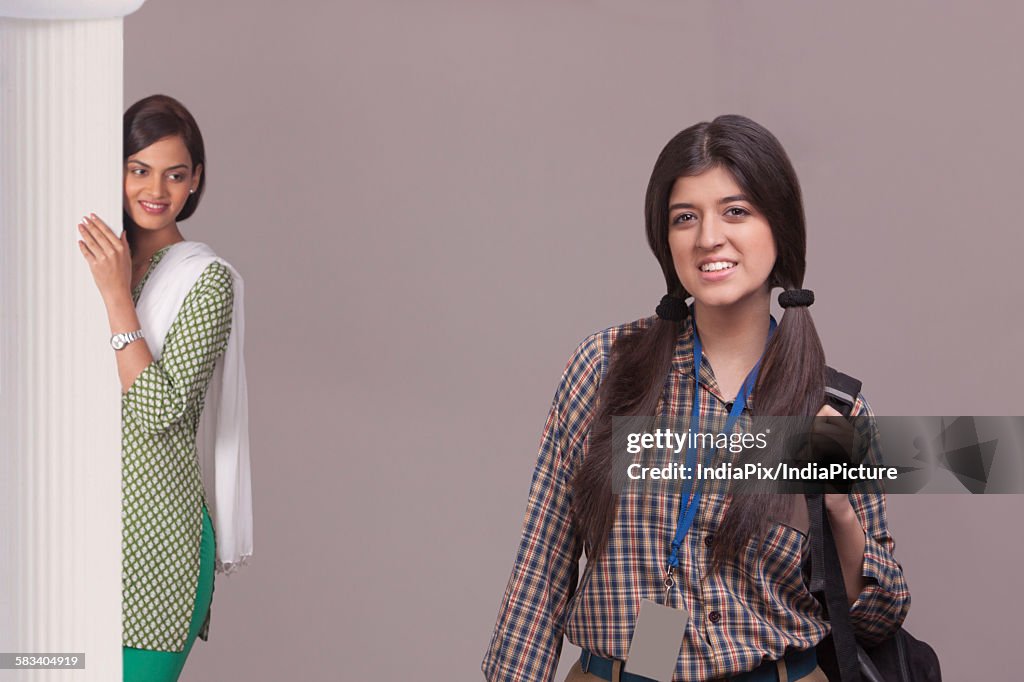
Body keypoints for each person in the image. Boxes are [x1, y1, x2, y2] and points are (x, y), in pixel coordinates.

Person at [482, 115, 910, 682]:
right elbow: (542, 568)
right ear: (666, 241)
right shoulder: (606, 368)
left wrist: (835, 504)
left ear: (778, 226)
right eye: (686, 217)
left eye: (736, 211)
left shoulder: (833, 408)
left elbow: (876, 619)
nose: (709, 237)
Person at [77, 94, 252, 682]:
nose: (156, 189)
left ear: (195, 180)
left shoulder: (207, 282)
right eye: (138, 169)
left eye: (175, 174)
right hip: (75, 536)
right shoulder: (91, 257)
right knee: (29, 665)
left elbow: (160, 411)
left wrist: (117, 299)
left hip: (157, 552)